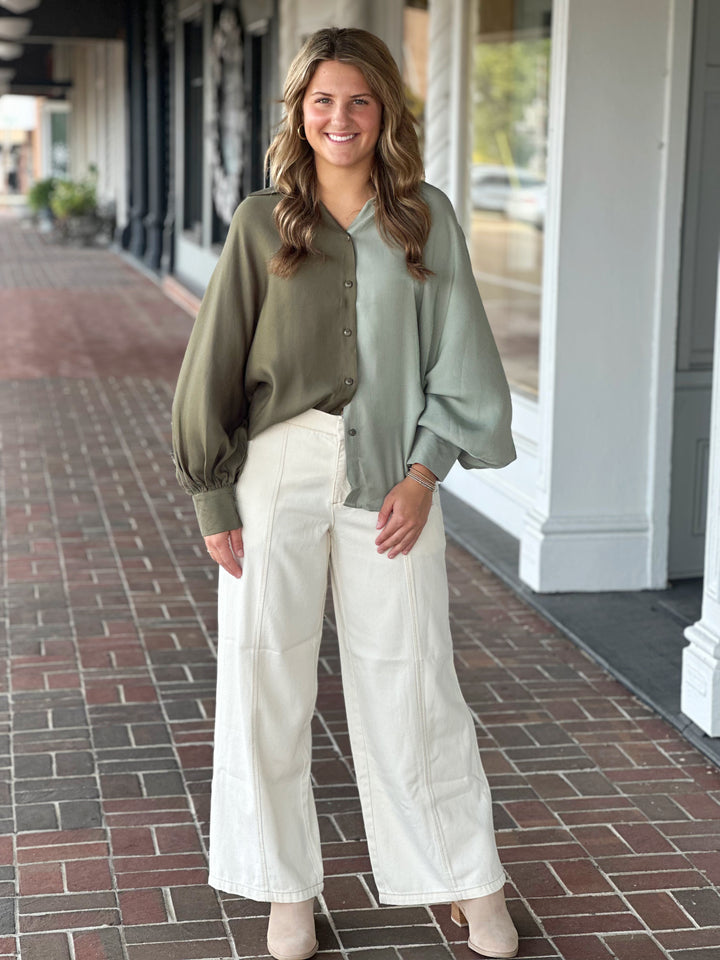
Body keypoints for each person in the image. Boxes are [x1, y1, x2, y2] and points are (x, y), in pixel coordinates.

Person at [172, 26, 519, 960]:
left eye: (359, 100)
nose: (340, 118)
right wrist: (213, 498)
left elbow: (463, 358)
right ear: (299, 111)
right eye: (322, 100)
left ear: (386, 112)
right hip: (274, 475)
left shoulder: (426, 217)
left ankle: (464, 876)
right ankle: (286, 890)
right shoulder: (259, 222)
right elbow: (212, 366)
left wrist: (423, 473)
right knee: (265, 678)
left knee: (414, 679)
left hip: (392, 476)